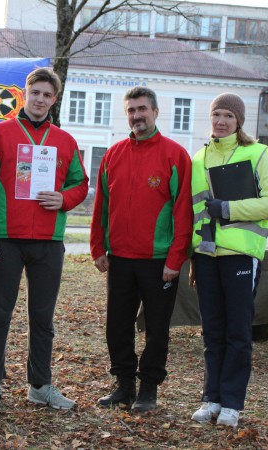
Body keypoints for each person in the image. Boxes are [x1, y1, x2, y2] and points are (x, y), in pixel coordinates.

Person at [0, 67, 89, 410]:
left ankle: (40, 385)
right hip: (5, 240)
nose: (40, 99)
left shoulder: (65, 141)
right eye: (35, 92)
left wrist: (64, 199)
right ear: (25, 94)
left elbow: (80, 183)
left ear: (54, 100)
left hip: (48, 242)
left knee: (42, 317)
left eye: (47, 95)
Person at [89, 86, 193, 413]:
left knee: (157, 328)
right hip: (120, 258)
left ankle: (149, 388)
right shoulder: (113, 154)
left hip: (159, 261)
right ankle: (123, 385)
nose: (137, 116)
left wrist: (175, 259)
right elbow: (101, 206)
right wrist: (97, 247)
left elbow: (183, 212)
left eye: (142, 109)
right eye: (131, 110)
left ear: (156, 112)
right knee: (117, 325)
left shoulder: (175, 155)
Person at [189, 93, 268, 428]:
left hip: (241, 254)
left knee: (238, 332)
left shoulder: (257, 153)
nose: (222, 121)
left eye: (229, 115)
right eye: (217, 113)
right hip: (206, 255)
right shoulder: (199, 158)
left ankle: (231, 403)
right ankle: (210, 398)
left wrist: (228, 209)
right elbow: (194, 211)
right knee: (212, 331)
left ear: (239, 121)